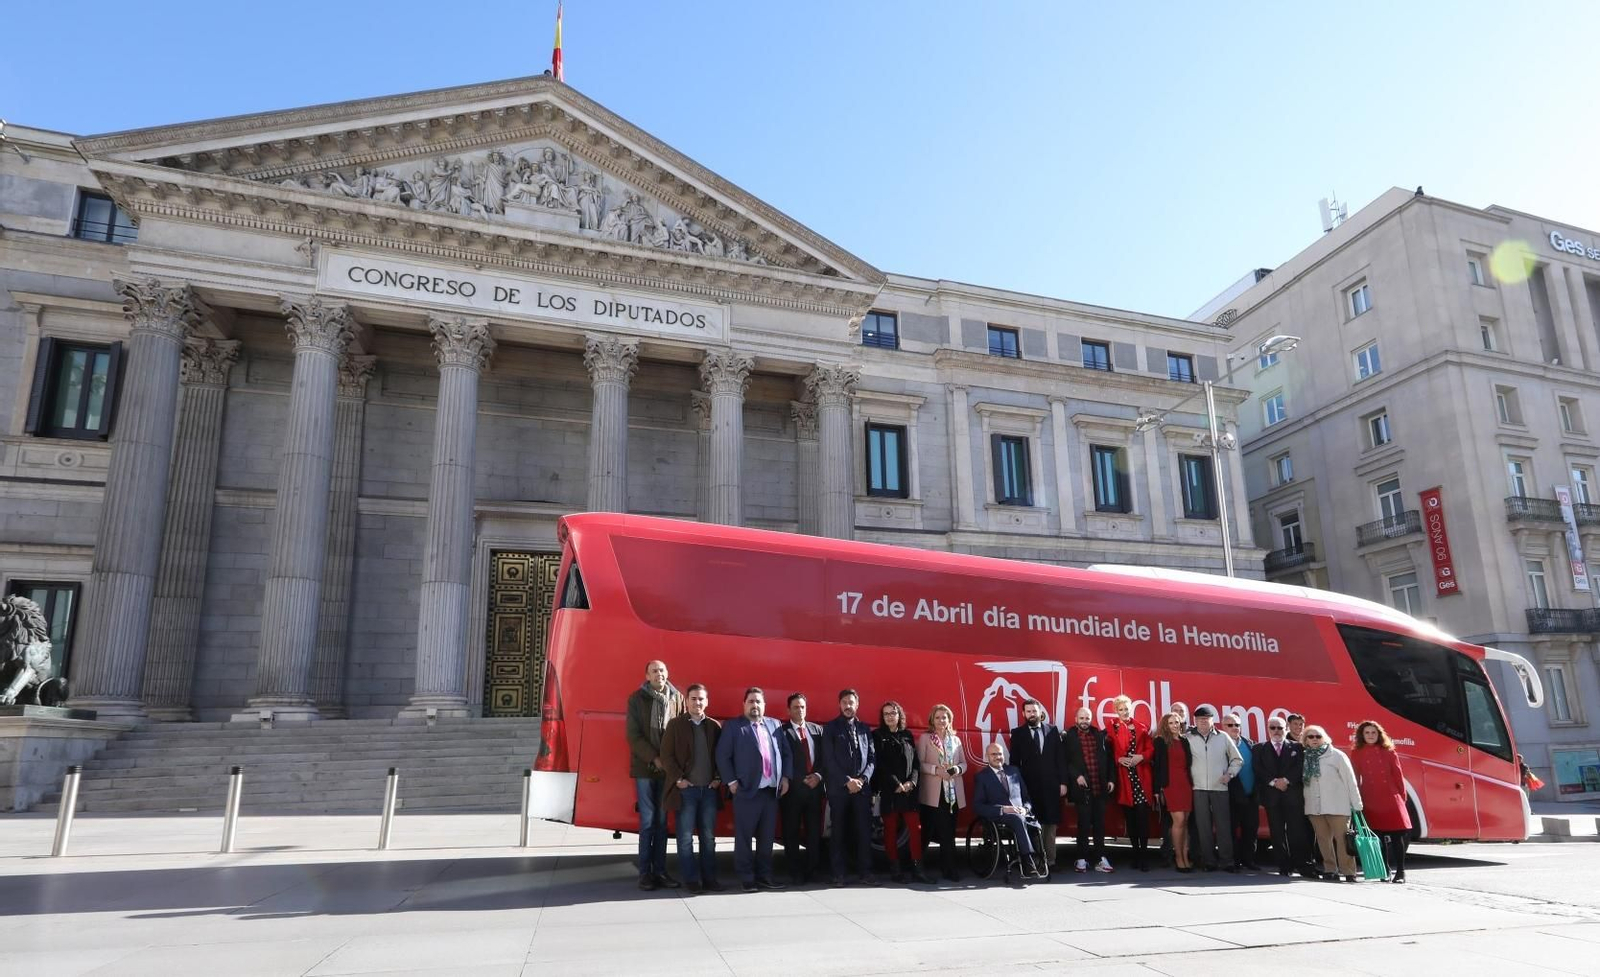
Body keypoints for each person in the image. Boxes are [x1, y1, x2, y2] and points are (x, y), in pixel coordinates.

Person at [715, 687, 791, 892]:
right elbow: (722, 756)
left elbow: (785, 753)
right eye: (751, 701)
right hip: (747, 791)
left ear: (764, 705)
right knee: (744, 838)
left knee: (767, 839)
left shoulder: (775, 725)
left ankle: (765, 875)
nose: (755, 705)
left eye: (758, 701)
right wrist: (730, 782)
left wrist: (785, 777)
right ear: (744, 704)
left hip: (771, 792)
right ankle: (747, 877)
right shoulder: (733, 727)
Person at [624, 660, 683, 890]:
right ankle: (645, 874)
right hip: (646, 769)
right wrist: (654, 758)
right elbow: (633, 735)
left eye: (662, 670)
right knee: (648, 821)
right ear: (647, 676)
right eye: (654, 671)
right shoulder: (636, 699)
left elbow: (680, 732)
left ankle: (661, 872)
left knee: (662, 822)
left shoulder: (677, 698)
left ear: (667, 673)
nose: (659, 674)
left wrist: (671, 762)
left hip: (668, 770)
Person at [660, 683, 723, 893]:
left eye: (701, 699)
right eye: (694, 698)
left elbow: (722, 757)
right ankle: (691, 880)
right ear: (687, 701)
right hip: (686, 791)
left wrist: (718, 778)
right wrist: (679, 780)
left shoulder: (714, 726)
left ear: (707, 702)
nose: (697, 702)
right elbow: (666, 756)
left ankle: (710, 879)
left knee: (708, 838)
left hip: (709, 791)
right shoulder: (675, 725)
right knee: (685, 837)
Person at [822, 689, 878, 886]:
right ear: (839, 705)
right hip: (839, 790)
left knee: (864, 832)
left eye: (851, 702)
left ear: (857, 705)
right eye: (844, 702)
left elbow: (872, 759)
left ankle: (866, 872)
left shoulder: (865, 729)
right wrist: (847, 781)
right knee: (838, 832)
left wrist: (862, 779)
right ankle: (838, 874)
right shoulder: (830, 728)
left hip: (862, 790)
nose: (848, 706)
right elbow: (828, 760)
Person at [872, 701, 929, 883]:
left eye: (893, 713)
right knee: (890, 831)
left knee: (915, 829)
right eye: (886, 713)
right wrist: (896, 783)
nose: (890, 716)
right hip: (890, 791)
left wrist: (912, 781)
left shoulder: (907, 735)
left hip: (909, 792)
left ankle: (918, 869)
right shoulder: (878, 736)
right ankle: (895, 870)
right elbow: (880, 765)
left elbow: (915, 764)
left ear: (899, 715)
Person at [1008, 699, 1066, 869]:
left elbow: (1060, 758)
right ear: (1024, 714)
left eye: (1034, 711)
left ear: (1041, 712)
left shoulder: (1052, 730)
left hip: (1051, 785)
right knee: (1033, 823)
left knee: (1050, 823)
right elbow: (1014, 763)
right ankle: (1037, 860)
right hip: (1028, 787)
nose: (1032, 714)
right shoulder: (1017, 733)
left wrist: (1063, 782)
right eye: (1028, 711)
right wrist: (1015, 788)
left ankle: (1051, 860)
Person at [1352, 720, 1412, 883]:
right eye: (1367, 733)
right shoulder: (1357, 752)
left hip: (1391, 797)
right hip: (1371, 797)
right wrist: (1356, 798)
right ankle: (1384, 870)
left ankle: (1400, 872)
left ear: (1379, 734)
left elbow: (1398, 775)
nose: (1370, 736)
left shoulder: (1389, 751)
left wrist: (1402, 797)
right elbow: (1356, 778)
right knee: (1378, 836)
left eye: (1373, 733)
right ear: (1362, 735)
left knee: (1397, 835)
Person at [974, 741, 1044, 878]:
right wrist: (1003, 809)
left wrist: (1025, 809)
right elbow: (978, 806)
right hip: (1000, 817)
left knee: (1032, 822)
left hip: (1022, 815)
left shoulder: (1014, 771)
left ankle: (1040, 859)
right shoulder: (982, 777)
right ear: (987, 756)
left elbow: (1027, 798)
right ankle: (1028, 861)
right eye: (993, 754)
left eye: (999, 754)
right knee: (1018, 819)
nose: (997, 757)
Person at [1302, 724, 1363, 882]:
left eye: (1318, 736)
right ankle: (1330, 870)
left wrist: (1357, 804)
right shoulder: (1304, 757)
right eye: (1311, 737)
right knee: (1323, 840)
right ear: (1306, 740)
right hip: (1315, 808)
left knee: (1343, 840)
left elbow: (1350, 781)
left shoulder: (1337, 755)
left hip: (1338, 806)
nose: (1315, 739)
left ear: (1324, 738)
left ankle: (1349, 871)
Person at [1185, 706, 1242, 873]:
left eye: (1207, 718)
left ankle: (1227, 861)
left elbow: (1237, 759)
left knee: (1223, 826)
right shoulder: (1188, 738)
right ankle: (1209, 861)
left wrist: (1229, 775)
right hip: (1198, 788)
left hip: (1220, 788)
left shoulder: (1223, 737)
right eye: (1200, 719)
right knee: (1203, 827)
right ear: (1195, 721)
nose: (1203, 721)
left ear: (1212, 720)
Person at [1061, 706, 1117, 873]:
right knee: (1083, 825)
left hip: (1099, 787)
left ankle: (1101, 859)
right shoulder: (1069, 736)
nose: (1084, 721)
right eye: (1082, 718)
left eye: (1087, 718)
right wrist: (1076, 775)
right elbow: (1065, 761)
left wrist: (1111, 780)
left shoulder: (1098, 735)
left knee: (1100, 826)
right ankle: (1081, 859)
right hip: (1081, 789)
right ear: (1076, 719)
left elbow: (1109, 759)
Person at [778, 692, 826, 885]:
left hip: (815, 790)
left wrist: (818, 776)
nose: (800, 710)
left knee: (814, 833)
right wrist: (798, 779)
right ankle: (795, 871)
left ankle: (812, 870)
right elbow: (780, 759)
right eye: (796, 707)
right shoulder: (781, 732)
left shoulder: (817, 730)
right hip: (792, 792)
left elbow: (825, 758)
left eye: (803, 707)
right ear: (789, 709)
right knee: (791, 832)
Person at [1253, 715, 1307, 877]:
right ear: (1268, 729)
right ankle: (1284, 866)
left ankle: (1300, 864)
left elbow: (1300, 768)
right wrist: (1273, 782)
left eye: (1280, 728)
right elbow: (1258, 769)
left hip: (1292, 796)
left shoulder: (1298, 747)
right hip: (1271, 797)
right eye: (1272, 728)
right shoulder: (1259, 748)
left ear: (1286, 729)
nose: (1276, 731)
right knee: (1276, 833)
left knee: (1296, 831)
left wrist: (1287, 780)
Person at [918, 703, 967, 881]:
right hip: (933, 793)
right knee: (927, 832)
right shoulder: (926, 738)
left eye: (944, 717)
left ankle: (949, 869)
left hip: (952, 793)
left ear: (949, 720)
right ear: (932, 719)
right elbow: (920, 764)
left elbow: (964, 764)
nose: (941, 720)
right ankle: (916, 867)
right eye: (937, 717)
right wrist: (936, 770)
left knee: (949, 833)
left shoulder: (956, 740)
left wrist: (956, 770)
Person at [1106, 695, 1155, 871]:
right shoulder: (1112, 728)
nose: (1125, 712)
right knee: (1131, 821)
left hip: (1141, 776)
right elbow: (1108, 752)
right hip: (1124, 778)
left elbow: (1150, 749)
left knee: (1143, 820)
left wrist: (1141, 757)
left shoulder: (1142, 727)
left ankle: (1144, 856)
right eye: (1121, 709)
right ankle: (1135, 855)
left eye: (1127, 709)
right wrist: (1119, 759)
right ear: (1116, 711)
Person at [1151, 711, 1195, 872]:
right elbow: (1157, 767)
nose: (1175, 725)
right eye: (1171, 723)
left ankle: (1185, 855)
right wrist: (1156, 789)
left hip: (1185, 783)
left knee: (1185, 823)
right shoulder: (1160, 741)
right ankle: (1178, 858)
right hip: (1170, 784)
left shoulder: (1184, 741)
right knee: (1179, 820)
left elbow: (1188, 764)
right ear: (1165, 725)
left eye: (1177, 722)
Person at [1222, 712, 1260, 870]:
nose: (1234, 728)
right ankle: (1234, 860)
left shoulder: (1250, 743)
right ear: (1223, 727)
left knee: (1251, 828)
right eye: (1230, 725)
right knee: (1231, 830)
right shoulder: (1220, 745)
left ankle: (1249, 860)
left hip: (1251, 795)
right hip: (1231, 796)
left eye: (1237, 725)